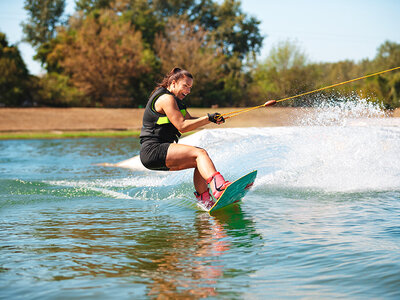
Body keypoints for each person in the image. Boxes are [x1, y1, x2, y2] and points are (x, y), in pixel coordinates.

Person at [140, 67, 230, 209]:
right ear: (173, 83)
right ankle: (219, 187)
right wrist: (207, 118)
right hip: (154, 150)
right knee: (200, 153)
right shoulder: (166, 98)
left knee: (199, 163)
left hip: (157, 153)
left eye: (190, 87)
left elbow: (189, 120)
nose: (188, 91)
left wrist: (212, 119)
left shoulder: (176, 101)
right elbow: (182, 126)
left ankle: (206, 201)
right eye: (185, 86)